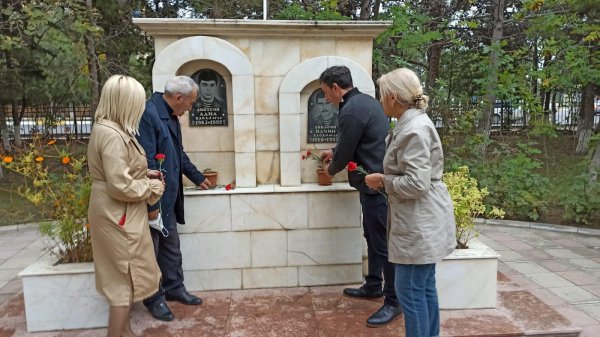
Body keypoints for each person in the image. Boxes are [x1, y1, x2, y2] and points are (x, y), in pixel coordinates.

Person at [364, 68, 456, 337]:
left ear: (393, 97)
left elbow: (416, 183)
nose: (380, 101)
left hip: (419, 221)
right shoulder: (413, 123)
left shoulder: (412, 129)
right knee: (424, 287)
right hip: (421, 218)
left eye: (381, 95)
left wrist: (383, 181)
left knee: (410, 292)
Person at [319, 65, 402, 327]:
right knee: (373, 237)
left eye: (325, 92)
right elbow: (358, 140)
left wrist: (330, 169)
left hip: (376, 185)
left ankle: (393, 301)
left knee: (382, 245)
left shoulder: (351, 109)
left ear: (335, 87)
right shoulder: (363, 102)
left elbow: (346, 151)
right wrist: (336, 150)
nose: (325, 99)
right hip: (372, 184)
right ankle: (374, 285)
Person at [87, 75, 165, 337]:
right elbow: (119, 185)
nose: (141, 106)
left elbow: (120, 173)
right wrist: (151, 188)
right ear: (125, 101)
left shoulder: (112, 129)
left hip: (116, 211)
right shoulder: (111, 134)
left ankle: (126, 333)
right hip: (116, 212)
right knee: (123, 277)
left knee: (124, 276)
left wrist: (146, 176)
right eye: (137, 100)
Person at [137, 75, 213, 321]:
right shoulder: (149, 114)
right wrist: (152, 200)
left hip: (168, 196)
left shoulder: (169, 115)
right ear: (178, 98)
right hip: (153, 198)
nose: (189, 109)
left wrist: (196, 176)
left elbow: (177, 153)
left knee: (171, 247)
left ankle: (174, 288)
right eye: (190, 103)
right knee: (152, 250)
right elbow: (147, 161)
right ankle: (154, 298)